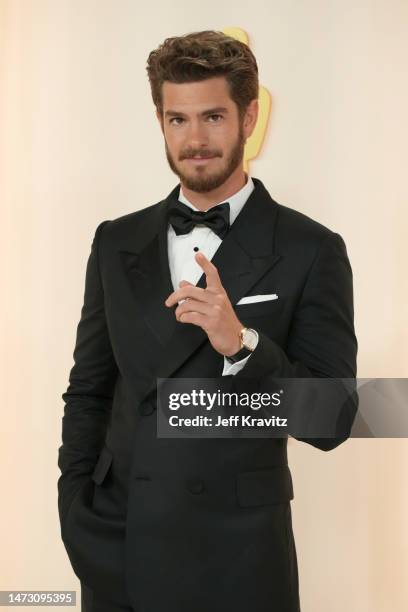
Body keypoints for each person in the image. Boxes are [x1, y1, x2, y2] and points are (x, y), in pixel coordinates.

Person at [57, 30, 357, 612]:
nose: (194, 140)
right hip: (119, 549)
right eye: (177, 119)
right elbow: (89, 389)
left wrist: (241, 344)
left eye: (214, 116)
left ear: (249, 116)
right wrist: (75, 505)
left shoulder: (310, 248)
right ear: (161, 121)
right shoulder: (116, 240)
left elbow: (334, 418)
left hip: (238, 564)